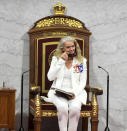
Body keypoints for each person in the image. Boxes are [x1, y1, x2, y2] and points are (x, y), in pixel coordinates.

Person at [42, 36, 87, 131]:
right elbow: (50, 77)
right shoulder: (56, 59)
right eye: (68, 47)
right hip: (58, 92)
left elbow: (83, 81)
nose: (71, 49)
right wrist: (61, 61)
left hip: (75, 93)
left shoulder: (81, 61)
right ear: (62, 48)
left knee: (75, 108)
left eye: (73, 46)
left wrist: (75, 93)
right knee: (62, 108)